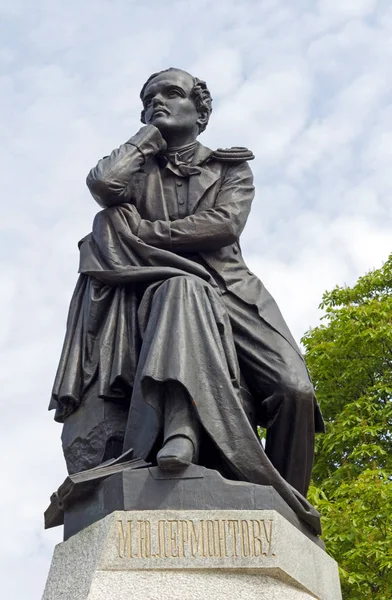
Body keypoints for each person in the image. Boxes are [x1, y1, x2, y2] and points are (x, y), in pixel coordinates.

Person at [50, 68, 324, 533]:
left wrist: (148, 235)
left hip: (233, 291)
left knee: (295, 390)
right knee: (182, 290)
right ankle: (176, 434)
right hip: (156, 292)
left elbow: (223, 225)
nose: (158, 101)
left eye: (171, 94)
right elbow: (103, 186)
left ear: (200, 111)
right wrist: (147, 137)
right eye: (149, 98)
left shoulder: (229, 167)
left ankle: (284, 505)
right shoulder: (138, 169)